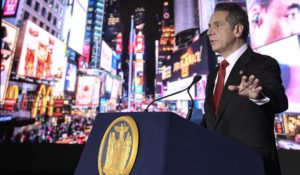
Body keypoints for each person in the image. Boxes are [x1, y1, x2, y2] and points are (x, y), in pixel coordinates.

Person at [201, 3, 288, 175]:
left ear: (238, 30)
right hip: (216, 165)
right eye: (209, 26)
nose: (210, 32)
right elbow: (212, 122)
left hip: (252, 166)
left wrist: (258, 96)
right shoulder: (212, 76)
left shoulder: (262, 63)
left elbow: (280, 102)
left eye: (217, 25)